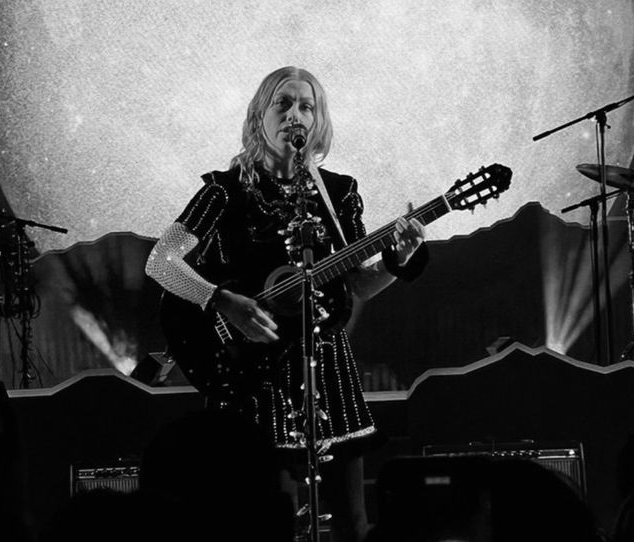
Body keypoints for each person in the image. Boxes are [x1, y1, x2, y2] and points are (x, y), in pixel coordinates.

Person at [146, 66, 427, 542]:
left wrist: (397, 263)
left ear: (318, 123)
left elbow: (356, 285)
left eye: (306, 105)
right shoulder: (224, 189)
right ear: (261, 114)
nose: (294, 114)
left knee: (353, 523)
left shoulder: (338, 193)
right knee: (268, 520)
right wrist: (218, 299)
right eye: (283, 103)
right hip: (251, 371)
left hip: (327, 366)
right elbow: (160, 260)